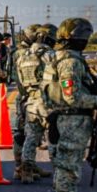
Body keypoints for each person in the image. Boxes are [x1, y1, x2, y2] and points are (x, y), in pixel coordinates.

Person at [42, 18, 97, 192]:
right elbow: (73, 97)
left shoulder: (56, 58)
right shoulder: (70, 62)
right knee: (69, 169)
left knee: (64, 167)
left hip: (61, 118)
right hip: (71, 121)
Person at [16, 24, 57, 183]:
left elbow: (19, 83)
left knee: (31, 137)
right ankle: (59, 172)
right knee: (53, 137)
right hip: (47, 101)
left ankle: (26, 171)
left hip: (30, 101)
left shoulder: (23, 56)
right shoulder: (50, 55)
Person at [11, 24, 39, 181]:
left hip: (22, 96)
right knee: (30, 133)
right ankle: (24, 168)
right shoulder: (25, 53)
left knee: (20, 132)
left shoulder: (17, 52)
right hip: (29, 97)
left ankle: (22, 167)